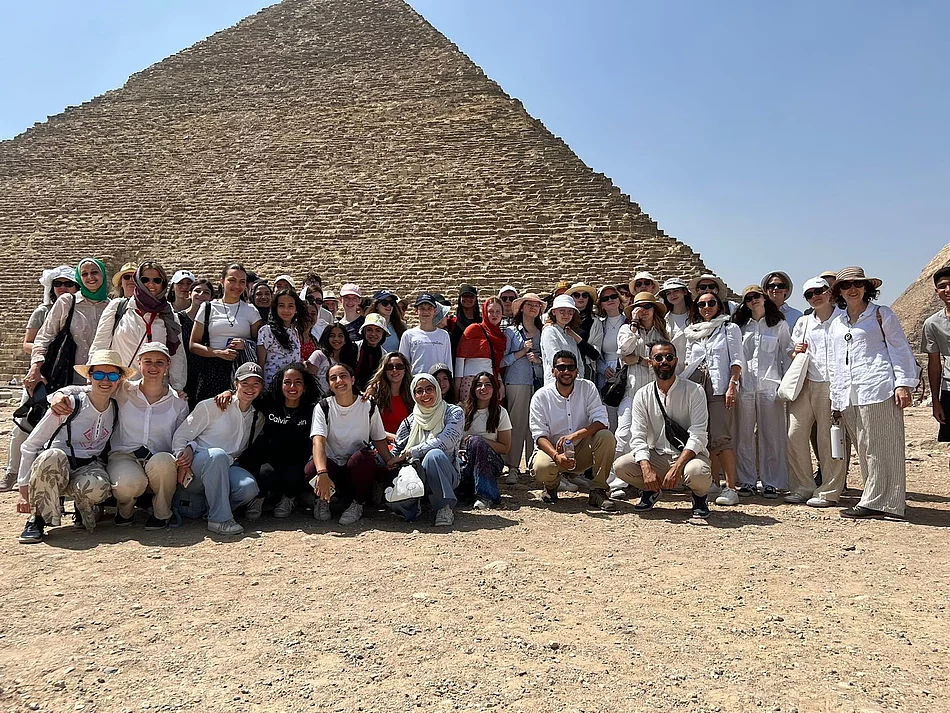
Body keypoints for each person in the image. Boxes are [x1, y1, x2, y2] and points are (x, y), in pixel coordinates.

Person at [48, 342, 189, 530]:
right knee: (127, 484)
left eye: (159, 362)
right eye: (148, 361)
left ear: (168, 365)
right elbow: (89, 389)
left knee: (164, 462)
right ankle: (125, 511)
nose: (153, 367)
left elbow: (182, 436)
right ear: (139, 363)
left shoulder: (178, 402)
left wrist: (185, 454)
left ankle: (162, 513)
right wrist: (59, 394)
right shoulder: (123, 389)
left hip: (158, 458)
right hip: (124, 456)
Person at [829, 267, 919, 519]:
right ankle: (876, 499)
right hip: (849, 393)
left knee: (884, 447)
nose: (853, 289)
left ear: (866, 287)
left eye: (858, 284)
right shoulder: (837, 323)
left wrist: (903, 384)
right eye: (846, 285)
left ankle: (885, 503)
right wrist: (836, 396)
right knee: (865, 447)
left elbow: (900, 349)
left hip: (878, 387)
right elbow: (834, 361)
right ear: (839, 292)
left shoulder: (881, 314)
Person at [16, 349, 131, 543]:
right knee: (50, 457)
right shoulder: (68, 404)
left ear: (119, 379)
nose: (105, 381)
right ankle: (37, 519)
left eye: (112, 376)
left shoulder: (115, 406)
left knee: (99, 486)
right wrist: (23, 491)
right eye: (98, 375)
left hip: (88, 465)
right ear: (89, 377)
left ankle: (82, 506)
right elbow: (31, 445)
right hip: (58, 464)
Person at [614, 340, 712, 518]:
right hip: (658, 455)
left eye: (669, 357)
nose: (664, 361)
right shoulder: (642, 395)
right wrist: (646, 468)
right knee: (621, 466)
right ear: (650, 362)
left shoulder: (694, 390)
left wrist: (677, 467)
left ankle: (699, 497)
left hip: (689, 457)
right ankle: (651, 490)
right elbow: (638, 436)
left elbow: (699, 435)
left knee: (697, 472)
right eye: (658, 358)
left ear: (676, 361)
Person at [1, 266, 78, 492]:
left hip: (68, 375)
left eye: (68, 284)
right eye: (58, 284)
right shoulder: (43, 311)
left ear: (77, 288)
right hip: (42, 374)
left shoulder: (82, 309)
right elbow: (28, 342)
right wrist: (48, 350)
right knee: (25, 423)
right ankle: (13, 472)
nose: (62, 288)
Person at [171, 362, 264, 535]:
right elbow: (181, 435)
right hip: (198, 466)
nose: (250, 388)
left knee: (248, 488)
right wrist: (182, 459)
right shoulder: (213, 405)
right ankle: (219, 520)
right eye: (245, 383)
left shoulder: (257, 418)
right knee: (217, 456)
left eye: (255, 384)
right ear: (235, 384)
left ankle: (211, 510)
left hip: (227, 465)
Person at [784, 278, 847, 507]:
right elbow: (791, 350)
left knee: (828, 438)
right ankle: (803, 486)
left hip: (832, 384)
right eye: (809, 294)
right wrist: (796, 351)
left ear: (830, 292)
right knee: (794, 435)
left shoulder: (844, 319)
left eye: (819, 291)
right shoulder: (803, 322)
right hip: (806, 383)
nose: (815, 296)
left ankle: (829, 491)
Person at [529, 350, 617, 511]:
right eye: (561, 367)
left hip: (581, 450)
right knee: (542, 468)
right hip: (554, 450)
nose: (566, 371)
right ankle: (551, 486)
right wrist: (556, 456)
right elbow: (539, 435)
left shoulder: (588, 387)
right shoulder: (540, 397)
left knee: (606, 437)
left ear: (577, 371)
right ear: (553, 371)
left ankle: (598, 490)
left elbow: (602, 421)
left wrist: (576, 435)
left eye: (571, 367)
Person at [309, 363, 394, 525]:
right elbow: (318, 441)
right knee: (311, 469)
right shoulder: (323, 406)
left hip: (355, 467)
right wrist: (322, 472)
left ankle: (357, 503)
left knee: (364, 459)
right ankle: (323, 499)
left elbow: (378, 438)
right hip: (332, 466)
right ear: (329, 384)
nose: (339, 381)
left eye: (343, 376)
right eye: (333, 378)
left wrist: (389, 460)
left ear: (353, 380)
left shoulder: (368, 405)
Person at [682, 292, 745, 506]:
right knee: (705, 437)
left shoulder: (729, 328)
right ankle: (713, 483)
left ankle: (731, 488)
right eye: (702, 304)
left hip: (719, 387)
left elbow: (736, 359)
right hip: (697, 388)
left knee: (721, 437)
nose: (706, 307)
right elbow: (689, 361)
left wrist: (732, 385)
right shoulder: (692, 331)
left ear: (719, 305)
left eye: (711, 303)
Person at [732, 285, 792, 498]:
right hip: (745, 386)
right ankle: (747, 480)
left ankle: (771, 482)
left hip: (770, 386)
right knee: (744, 435)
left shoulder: (779, 324)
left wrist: (786, 383)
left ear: (764, 297)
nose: (753, 301)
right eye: (748, 298)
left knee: (772, 436)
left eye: (756, 296)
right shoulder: (739, 327)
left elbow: (786, 352)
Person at [91, 261, 187, 392]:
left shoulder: (168, 313)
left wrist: (177, 388)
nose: (151, 284)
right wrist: (93, 380)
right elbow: (100, 345)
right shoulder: (118, 307)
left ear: (163, 283)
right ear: (137, 281)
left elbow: (177, 355)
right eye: (145, 280)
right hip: (121, 388)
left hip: (155, 391)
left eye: (157, 280)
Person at [388, 373, 464, 527]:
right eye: (419, 391)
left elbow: (445, 442)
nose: (425, 394)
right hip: (415, 475)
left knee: (433, 455)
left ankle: (444, 507)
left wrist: (410, 452)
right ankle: (413, 505)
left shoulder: (453, 412)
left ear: (437, 390)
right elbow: (397, 451)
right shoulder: (410, 421)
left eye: (429, 389)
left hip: (446, 473)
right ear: (413, 395)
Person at [25, 258, 111, 392]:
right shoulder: (67, 302)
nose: (90, 277)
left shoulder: (113, 306)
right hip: (66, 379)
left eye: (94, 272)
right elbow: (44, 338)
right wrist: (35, 367)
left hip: (102, 382)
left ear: (103, 275)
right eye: (84, 274)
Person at [189, 263, 264, 405]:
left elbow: (260, 344)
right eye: (232, 280)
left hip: (241, 370)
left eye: (242, 282)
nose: (237, 286)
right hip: (212, 371)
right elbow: (193, 345)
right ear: (222, 281)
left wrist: (245, 344)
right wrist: (218, 353)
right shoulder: (208, 307)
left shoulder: (251, 310)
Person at [614, 292, 670, 465]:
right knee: (623, 435)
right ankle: (616, 476)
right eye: (639, 307)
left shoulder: (663, 333)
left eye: (647, 306)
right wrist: (634, 324)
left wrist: (639, 360)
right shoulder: (626, 329)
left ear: (654, 310)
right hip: (631, 392)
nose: (643, 310)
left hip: (655, 394)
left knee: (652, 438)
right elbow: (625, 350)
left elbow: (667, 362)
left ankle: (645, 474)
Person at [502, 292, 544, 482]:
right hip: (517, 380)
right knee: (517, 423)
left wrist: (538, 360)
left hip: (539, 381)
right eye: (529, 304)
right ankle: (513, 466)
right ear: (521, 308)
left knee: (536, 424)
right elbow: (502, 360)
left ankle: (533, 464)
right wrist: (522, 352)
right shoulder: (511, 332)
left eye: (537, 305)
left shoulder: (543, 332)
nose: (533, 308)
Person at [461, 372, 512, 509]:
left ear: (494, 389)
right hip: (464, 459)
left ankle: (485, 496)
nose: (483, 388)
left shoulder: (501, 412)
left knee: (477, 442)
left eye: (488, 385)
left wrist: (481, 441)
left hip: (490, 461)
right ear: (473, 388)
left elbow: (505, 447)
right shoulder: (462, 410)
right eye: (479, 385)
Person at [922, 266, 950, 459]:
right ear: (936, 291)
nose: (948, 290)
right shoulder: (932, 324)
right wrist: (936, 401)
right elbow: (934, 364)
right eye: (943, 286)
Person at [455, 297, 507, 398]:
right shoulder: (474, 329)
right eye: (491, 311)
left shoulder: (500, 336)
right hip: (471, 381)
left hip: (490, 382)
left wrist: (500, 383)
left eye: (498, 311)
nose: (494, 315)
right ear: (485, 312)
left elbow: (495, 364)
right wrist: (457, 388)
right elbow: (460, 359)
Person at [176, 278, 215, 408]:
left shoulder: (215, 321)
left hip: (207, 374)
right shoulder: (178, 319)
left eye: (206, 292)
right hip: (185, 372)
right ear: (189, 294)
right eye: (197, 291)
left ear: (211, 298)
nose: (201, 295)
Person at [256, 288, 304, 389]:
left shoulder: (295, 331)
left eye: (290, 306)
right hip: (271, 386)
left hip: (291, 387)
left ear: (296, 309)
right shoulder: (266, 331)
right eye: (281, 306)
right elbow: (261, 363)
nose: (286, 310)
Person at [399, 293, 453, 376]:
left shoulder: (444, 335)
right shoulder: (408, 335)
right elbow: (403, 362)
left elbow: (448, 361)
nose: (426, 312)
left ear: (434, 311)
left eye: (429, 308)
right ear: (416, 311)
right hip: (416, 379)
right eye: (422, 308)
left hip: (437, 380)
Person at [366, 352, 414, 438]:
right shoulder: (374, 390)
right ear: (384, 370)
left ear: (405, 370)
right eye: (390, 367)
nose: (394, 370)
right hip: (380, 441)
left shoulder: (412, 392)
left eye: (399, 366)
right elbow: (367, 425)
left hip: (407, 440)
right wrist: (394, 438)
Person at [540, 295, 582, 386]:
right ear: (554, 312)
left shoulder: (569, 335)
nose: (566, 315)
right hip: (556, 383)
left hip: (573, 382)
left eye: (570, 312)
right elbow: (554, 359)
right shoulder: (550, 331)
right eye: (562, 311)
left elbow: (578, 362)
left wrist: (578, 380)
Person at [567, 283, 603, 382]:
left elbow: (595, 354)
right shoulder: (564, 319)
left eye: (584, 295)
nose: (581, 298)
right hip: (565, 367)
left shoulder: (595, 322)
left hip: (586, 367)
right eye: (577, 295)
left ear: (588, 299)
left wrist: (574, 336)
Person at [308, 323, 358, 393]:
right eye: (332, 336)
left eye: (340, 336)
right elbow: (309, 381)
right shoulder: (318, 355)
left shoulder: (348, 359)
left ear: (345, 340)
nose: (336, 339)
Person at [658, 278, 692, 373]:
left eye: (676, 291)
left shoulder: (696, 318)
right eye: (668, 293)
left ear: (684, 292)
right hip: (668, 368)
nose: (672, 295)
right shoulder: (663, 320)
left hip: (690, 368)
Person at [354, 313, 390, 390]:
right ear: (364, 332)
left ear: (383, 334)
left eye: (378, 330)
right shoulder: (354, 348)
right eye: (369, 330)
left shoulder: (384, 355)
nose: (373, 334)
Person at [451, 284, 480, 355]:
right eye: (465, 296)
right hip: (457, 358)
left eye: (471, 297)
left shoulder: (481, 322)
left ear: (475, 299)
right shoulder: (453, 322)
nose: (468, 299)